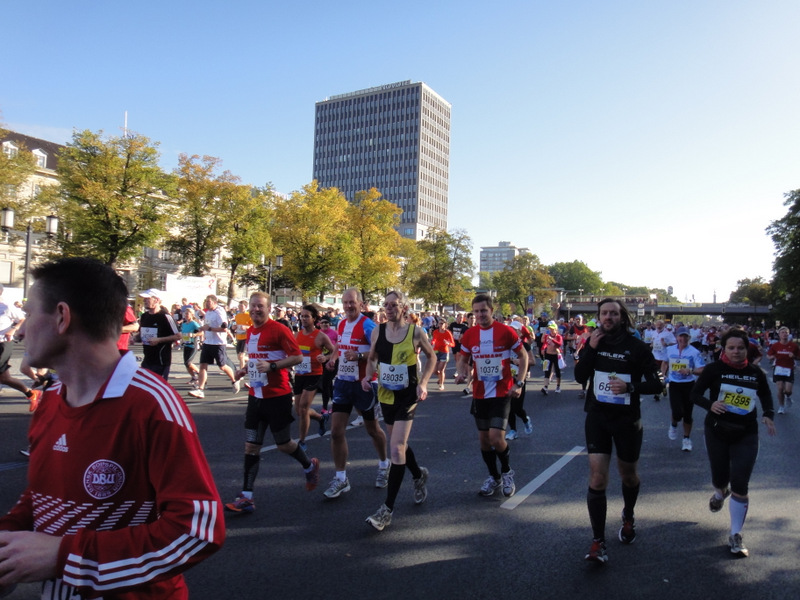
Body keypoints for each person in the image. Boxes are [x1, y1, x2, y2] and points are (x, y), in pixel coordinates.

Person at [0, 258, 224, 598]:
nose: (20, 329)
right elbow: (44, 495)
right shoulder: (49, 401)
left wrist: (66, 557)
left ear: (62, 317)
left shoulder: (151, 405)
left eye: (29, 314)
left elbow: (198, 529)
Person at [574, 298, 662, 564]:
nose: (608, 317)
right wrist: (590, 349)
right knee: (597, 478)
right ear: (599, 316)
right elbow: (580, 377)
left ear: (622, 317)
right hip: (598, 417)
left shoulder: (637, 347)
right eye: (604, 313)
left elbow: (656, 385)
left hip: (627, 420)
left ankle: (628, 515)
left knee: (629, 475)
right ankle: (598, 542)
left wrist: (630, 387)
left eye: (613, 313)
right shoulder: (593, 342)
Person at [225, 292, 321, 514]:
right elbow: (256, 360)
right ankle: (246, 497)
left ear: (268, 308)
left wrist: (273, 367)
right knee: (251, 447)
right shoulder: (250, 332)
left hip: (278, 396)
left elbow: (297, 357)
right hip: (256, 397)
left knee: (283, 444)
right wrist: (243, 370)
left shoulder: (279, 329)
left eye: (260, 306)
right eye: (253, 306)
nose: (256, 309)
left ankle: (309, 465)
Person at [691, 328, 776, 557]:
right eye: (731, 347)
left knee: (740, 482)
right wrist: (710, 405)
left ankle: (736, 534)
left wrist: (768, 414)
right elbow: (694, 394)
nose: (736, 352)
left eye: (740, 348)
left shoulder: (755, 372)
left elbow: (766, 395)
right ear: (724, 348)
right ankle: (720, 493)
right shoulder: (714, 369)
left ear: (746, 348)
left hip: (746, 433)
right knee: (720, 478)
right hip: (717, 431)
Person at [361, 291, 437, 531]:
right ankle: (418, 474)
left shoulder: (415, 332)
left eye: (393, 305)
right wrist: (367, 376)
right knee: (399, 444)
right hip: (386, 394)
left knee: (395, 448)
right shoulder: (378, 331)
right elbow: (372, 358)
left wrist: (423, 383)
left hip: (407, 395)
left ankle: (387, 510)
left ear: (404, 307)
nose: (389, 308)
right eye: (386, 305)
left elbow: (432, 357)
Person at [455, 293, 528, 498]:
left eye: (483, 311)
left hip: (502, 391)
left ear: (492, 310)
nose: (480, 315)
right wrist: (462, 373)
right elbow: (463, 358)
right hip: (479, 393)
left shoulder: (505, 332)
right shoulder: (470, 334)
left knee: (496, 437)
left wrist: (519, 382)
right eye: (476, 311)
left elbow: (523, 356)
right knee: (484, 441)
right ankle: (494, 476)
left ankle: (506, 472)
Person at [322, 288, 389, 499]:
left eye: (352, 302)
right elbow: (340, 346)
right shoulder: (341, 323)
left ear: (361, 304)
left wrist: (360, 355)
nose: (348, 306)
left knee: (372, 429)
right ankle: (341, 479)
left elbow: (381, 350)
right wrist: (333, 359)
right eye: (345, 302)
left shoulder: (368, 325)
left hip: (364, 384)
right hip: (343, 383)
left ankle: (384, 464)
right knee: (336, 431)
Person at [294, 304, 336, 451]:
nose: (303, 318)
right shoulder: (297, 335)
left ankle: (302, 441)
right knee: (299, 410)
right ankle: (320, 418)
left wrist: (325, 358)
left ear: (314, 319)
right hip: (299, 374)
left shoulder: (320, 336)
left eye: (307, 316)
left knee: (304, 407)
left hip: (314, 375)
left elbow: (334, 351)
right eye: (302, 316)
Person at [662, 326, 705, 451]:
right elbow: (665, 362)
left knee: (687, 414)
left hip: (689, 385)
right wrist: (663, 375)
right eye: (681, 336)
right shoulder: (669, 349)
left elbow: (702, 369)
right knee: (677, 412)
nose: (683, 339)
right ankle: (674, 424)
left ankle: (686, 439)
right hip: (674, 384)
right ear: (676, 337)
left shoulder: (694, 352)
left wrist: (690, 370)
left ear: (689, 338)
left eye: (685, 336)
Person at [0, 284, 42, 411]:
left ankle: (46, 384)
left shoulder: (6, 307)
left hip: (3, 343)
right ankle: (31, 393)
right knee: (5, 378)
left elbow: (23, 318)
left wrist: (13, 329)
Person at [189, 295, 240, 399]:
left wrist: (210, 329)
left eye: (208, 302)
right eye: (206, 301)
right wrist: (201, 329)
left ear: (214, 302)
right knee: (203, 365)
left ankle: (235, 379)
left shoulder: (219, 312)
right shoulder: (208, 313)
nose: (207, 303)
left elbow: (224, 328)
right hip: (208, 342)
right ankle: (201, 389)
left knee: (222, 366)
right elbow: (207, 326)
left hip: (218, 343)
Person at [138, 288, 181, 381]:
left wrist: (159, 340)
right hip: (147, 359)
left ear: (156, 300)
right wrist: (135, 338)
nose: (144, 301)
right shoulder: (144, 316)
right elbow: (142, 332)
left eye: (147, 298)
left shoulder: (165, 317)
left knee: (156, 388)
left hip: (161, 360)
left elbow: (178, 336)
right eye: (144, 299)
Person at [766, 326, 799, 414]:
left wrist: (794, 356)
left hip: (789, 369)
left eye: (786, 332)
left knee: (788, 391)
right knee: (780, 389)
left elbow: (799, 357)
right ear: (779, 335)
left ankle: (788, 397)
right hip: (778, 369)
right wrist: (771, 357)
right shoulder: (775, 345)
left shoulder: (794, 346)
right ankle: (781, 406)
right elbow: (768, 355)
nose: (784, 334)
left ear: (789, 334)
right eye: (783, 332)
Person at [181, 307, 203, 387]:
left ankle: (200, 374)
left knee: (188, 362)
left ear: (192, 315)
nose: (186, 315)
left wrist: (194, 335)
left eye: (187, 313)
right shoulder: (183, 324)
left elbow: (202, 332)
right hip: (186, 344)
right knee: (186, 364)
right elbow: (183, 334)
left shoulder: (194, 323)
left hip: (193, 345)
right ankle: (194, 377)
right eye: (185, 313)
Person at [431, 318, 455, 390]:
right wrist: (433, 342)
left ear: (445, 325)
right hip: (436, 351)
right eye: (439, 323)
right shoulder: (435, 331)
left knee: (441, 370)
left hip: (444, 352)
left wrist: (448, 343)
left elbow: (453, 344)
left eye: (442, 323)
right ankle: (441, 378)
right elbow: (434, 339)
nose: (440, 325)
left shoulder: (448, 333)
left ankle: (441, 384)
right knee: (434, 370)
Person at [540, 321, 564, 395]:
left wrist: (552, 339)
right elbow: (545, 343)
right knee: (547, 370)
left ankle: (558, 386)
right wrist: (543, 349)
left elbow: (559, 344)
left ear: (556, 330)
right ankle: (545, 387)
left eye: (553, 329)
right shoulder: (547, 336)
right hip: (548, 355)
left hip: (556, 355)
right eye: (550, 329)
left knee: (557, 370)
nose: (551, 330)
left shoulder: (558, 337)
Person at [233, 299, 253, 370]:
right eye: (239, 306)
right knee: (239, 357)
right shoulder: (237, 316)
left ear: (246, 307)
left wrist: (246, 327)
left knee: (241, 356)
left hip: (246, 337)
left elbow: (253, 326)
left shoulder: (249, 315)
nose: (240, 308)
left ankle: (242, 372)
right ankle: (252, 360)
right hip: (239, 337)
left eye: (242, 306)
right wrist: (234, 327)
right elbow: (236, 324)